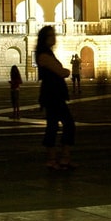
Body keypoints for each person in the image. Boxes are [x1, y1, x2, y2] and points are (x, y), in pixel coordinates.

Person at [36, 25, 75, 170]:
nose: (54, 38)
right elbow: (61, 72)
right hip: (53, 94)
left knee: (54, 125)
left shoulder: (47, 54)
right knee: (66, 124)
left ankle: (56, 159)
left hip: (53, 93)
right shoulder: (44, 55)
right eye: (51, 35)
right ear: (44, 39)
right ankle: (59, 158)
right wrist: (66, 70)